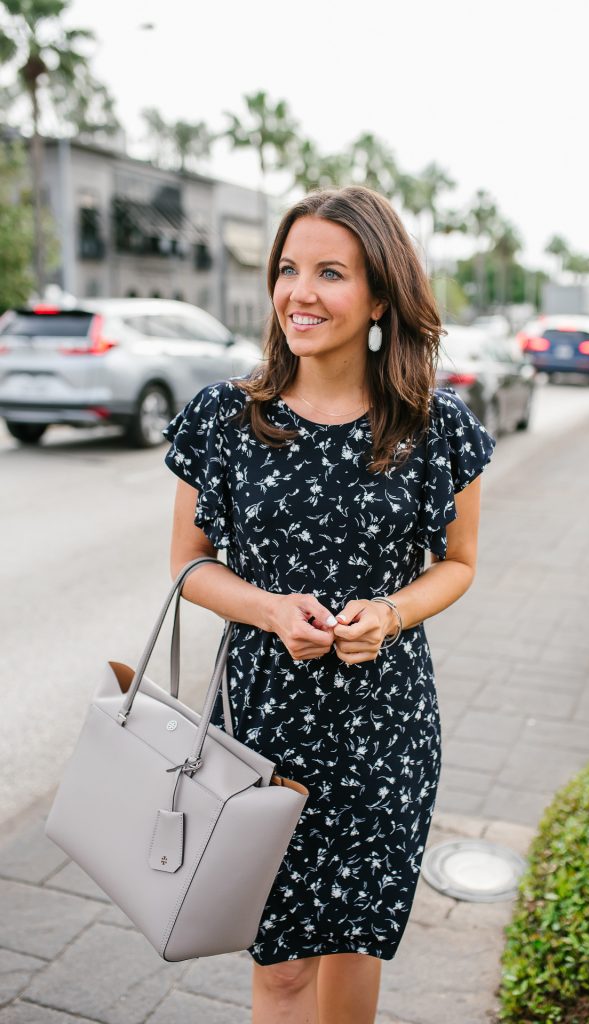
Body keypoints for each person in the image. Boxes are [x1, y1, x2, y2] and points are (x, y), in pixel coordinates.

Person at [162, 185, 495, 1024]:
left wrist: (392, 611)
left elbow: (458, 565)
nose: (298, 292)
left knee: (352, 955)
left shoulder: (433, 425)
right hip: (263, 726)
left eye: (330, 273)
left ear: (380, 294)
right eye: (287, 269)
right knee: (279, 967)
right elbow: (187, 568)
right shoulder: (224, 417)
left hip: (386, 726)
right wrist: (269, 609)